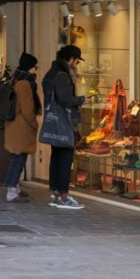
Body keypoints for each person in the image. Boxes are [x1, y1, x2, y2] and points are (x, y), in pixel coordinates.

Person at [42, 44, 87, 210]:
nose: (77, 65)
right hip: (64, 121)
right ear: (71, 59)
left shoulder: (52, 72)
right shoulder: (62, 74)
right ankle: (63, 195)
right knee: (65, 158)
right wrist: (82, 99)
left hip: (54, 121)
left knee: (57, 156)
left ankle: (55, 193)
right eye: (77, 61)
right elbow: (65, 99)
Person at [4, 52, 41, 203]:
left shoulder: (15, 79)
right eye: (36, 67)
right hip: (22, 126)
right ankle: (11, 190)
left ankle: (15, 187)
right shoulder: (25, 84)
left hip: (14, 125)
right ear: (30, 67)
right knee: (19, 158)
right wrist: (34, 123)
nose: (37, 70)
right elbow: (27, 108)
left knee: (16, 157)